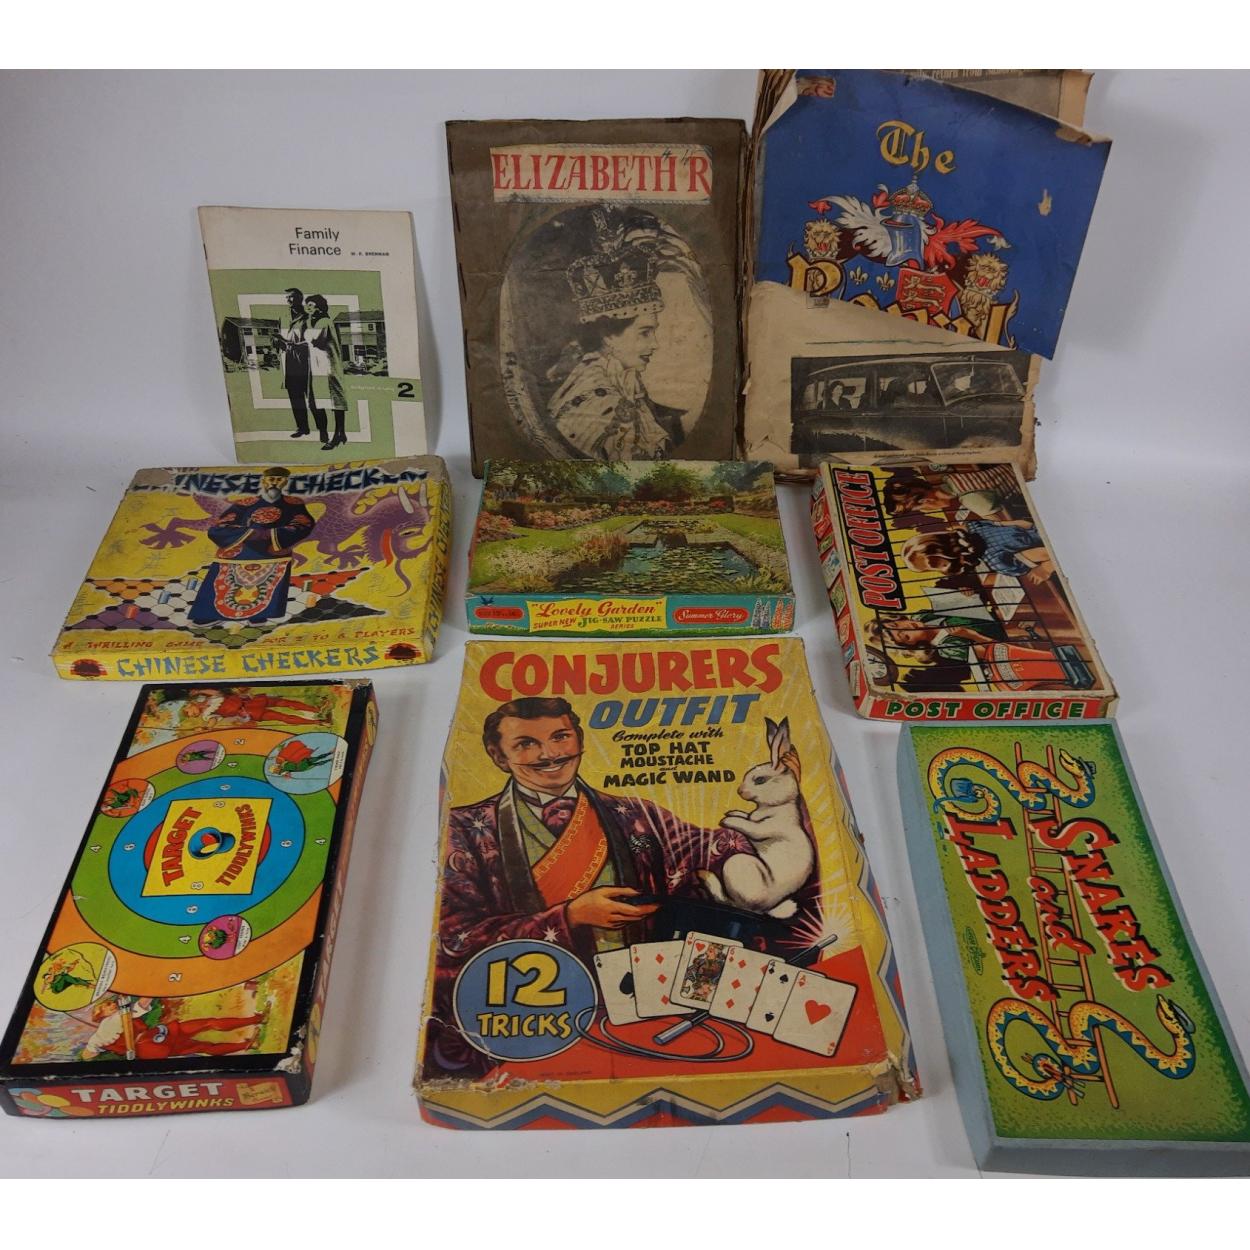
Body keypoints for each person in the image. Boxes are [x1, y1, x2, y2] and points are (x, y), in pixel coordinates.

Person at [427, 696, 812, 1071]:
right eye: (526, 744)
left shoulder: (636, 814)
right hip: (538, 1016)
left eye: (560, 737)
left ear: (579, 740)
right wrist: (570, 917)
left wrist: (784, 799)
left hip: (646, 1013)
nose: (549, 754)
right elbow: (454, 937)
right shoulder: (464, 829)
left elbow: (707, 846)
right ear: (498, 756)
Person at [187, 467, 315, 625]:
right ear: (263, 481)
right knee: (223, 582)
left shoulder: (293, 504)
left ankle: (260, 615)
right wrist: (251, 533)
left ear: (285, 482)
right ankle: (210, 614)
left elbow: (303, 523)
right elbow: (221, 525)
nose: (274, 483)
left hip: (272, 551)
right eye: (271, 479)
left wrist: (270, 534)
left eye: (279, 479)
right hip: (239, 550)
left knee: (267, 585)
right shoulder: (245, 503)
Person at [547, 311, 679, 458]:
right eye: (644, 333)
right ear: (609, 336)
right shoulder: (599, 398)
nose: (655, 345)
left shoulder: (625, 378)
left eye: (653, 332)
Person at [302, 294, 348, 451]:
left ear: (319, 307)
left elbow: (318, 341)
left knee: (335, 400)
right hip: (317, 366)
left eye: (311, 305)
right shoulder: (312, 322)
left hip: (330, 365)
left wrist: (298, 344)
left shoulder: (324, 321)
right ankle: (336, 433)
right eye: (306, 304)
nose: (307, 307)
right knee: (318, 400)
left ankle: (339, 434)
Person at [275, 287, 317, 440]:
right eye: (287, 297)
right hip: (290, 362)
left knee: (312, 397)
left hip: (306, 362)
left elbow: (313, 341)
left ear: (300, 298)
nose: (288, 300)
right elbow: (280, 337)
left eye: (291, 297)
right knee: (295, 397)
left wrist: (293, 345)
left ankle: (322, 430)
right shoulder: (283, 318)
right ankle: (302, 428)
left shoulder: (308, 316)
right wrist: (277, 342)